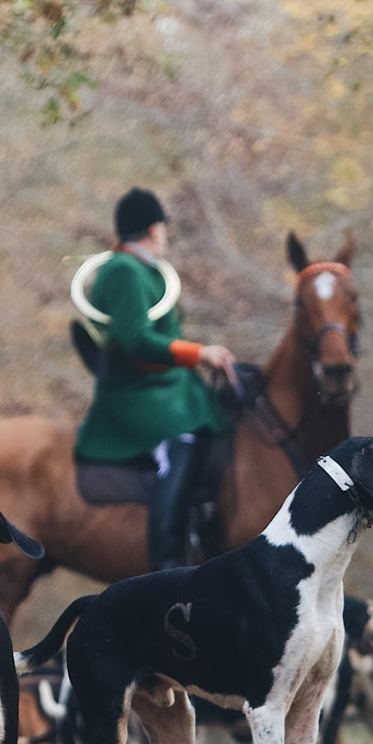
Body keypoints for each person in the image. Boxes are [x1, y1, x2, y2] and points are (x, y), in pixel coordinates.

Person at [75, 187, 237, 571]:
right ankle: (166, 561)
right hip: (135, 392)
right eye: (163, 228)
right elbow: (136, 341)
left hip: (166, 386)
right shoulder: (123, 270)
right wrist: (200, 353)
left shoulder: (144, 270)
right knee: (181, 442)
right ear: (153, 228)